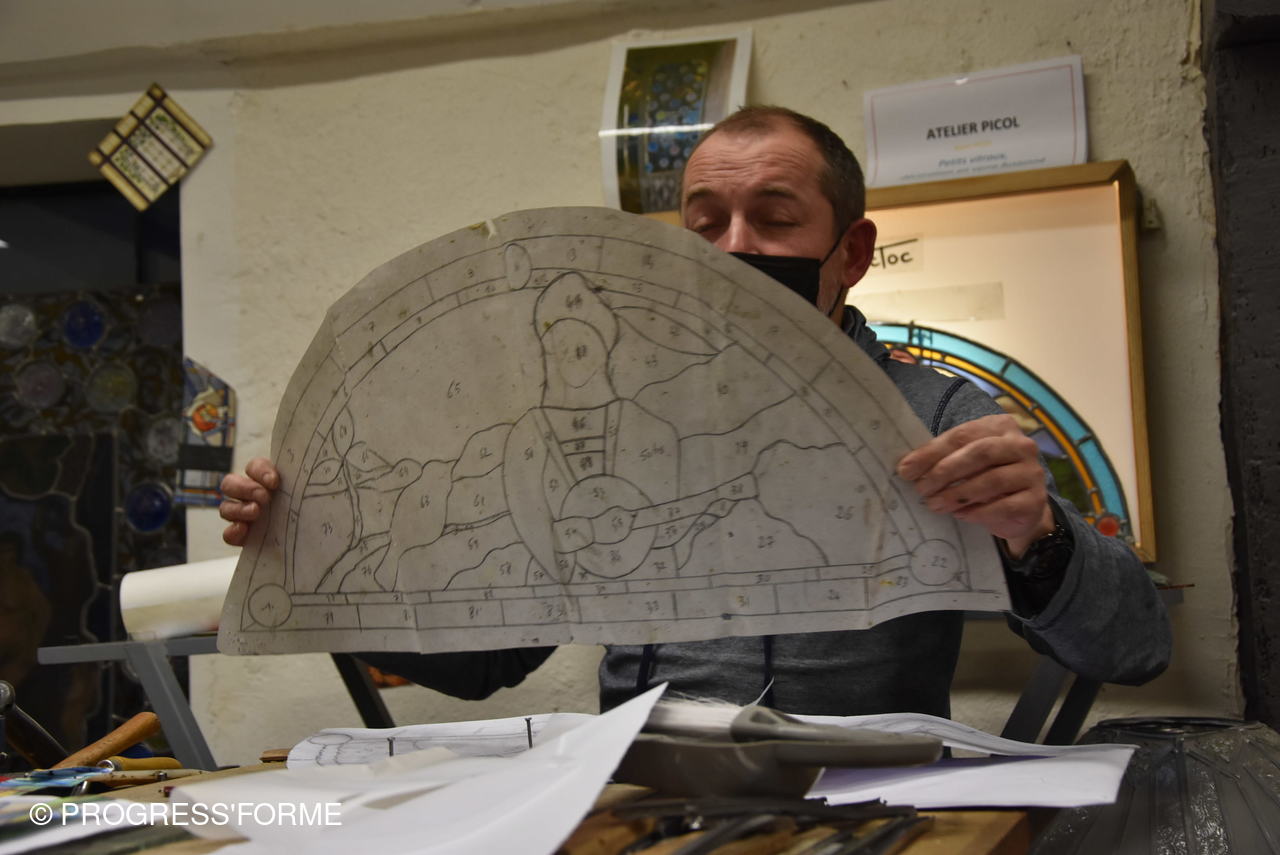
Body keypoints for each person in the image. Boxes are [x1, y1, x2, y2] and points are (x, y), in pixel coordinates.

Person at [220, 106, 1170, 717]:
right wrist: (309, 550)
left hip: (858, 807)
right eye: (705, 223)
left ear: (852, 251)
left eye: (776, 218)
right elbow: (485, 663)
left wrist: (1037, 537)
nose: (732, 250)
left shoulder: (937, 411)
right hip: (640, 803)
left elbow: (1132, 646)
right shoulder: (609, 420)